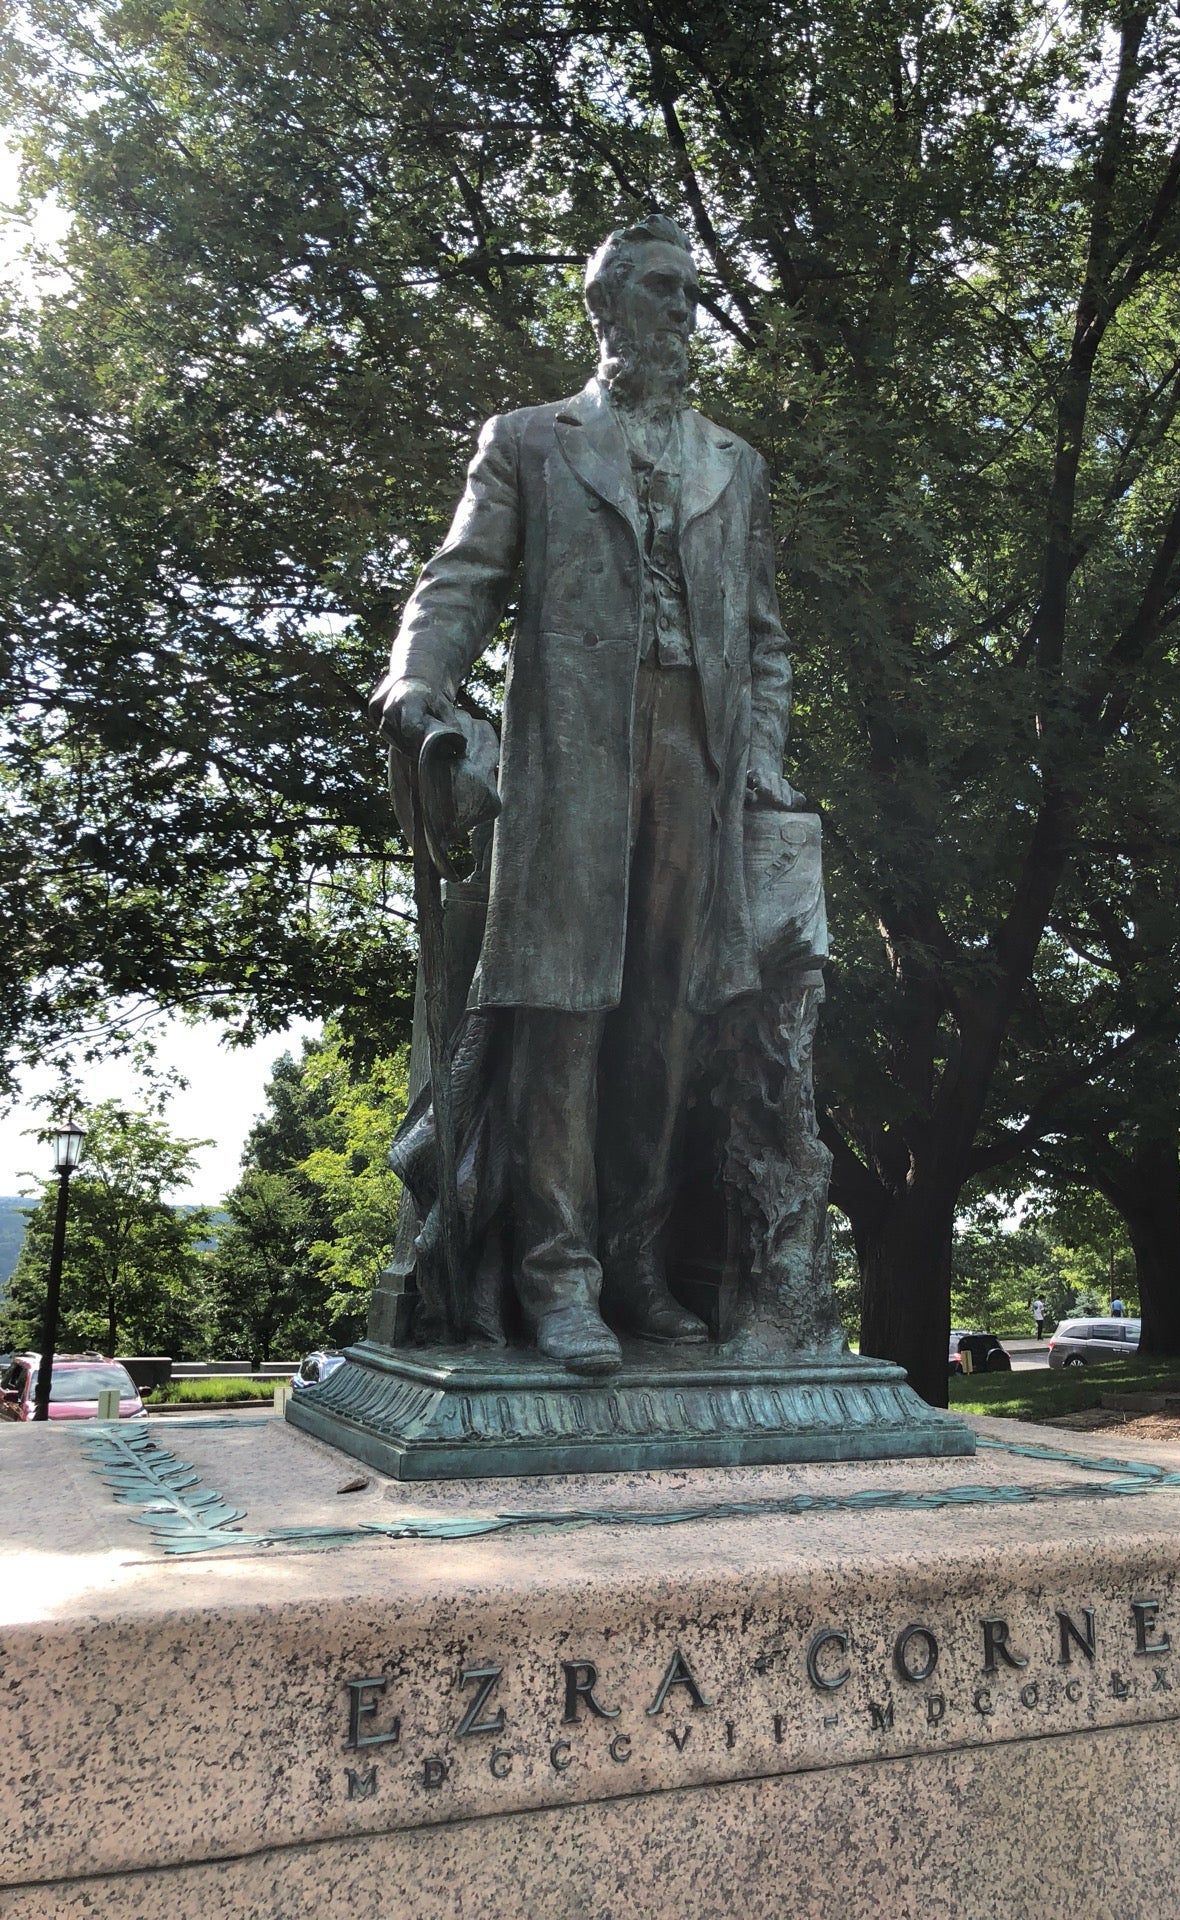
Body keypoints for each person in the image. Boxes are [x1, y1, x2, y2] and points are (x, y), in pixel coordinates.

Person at [371, 213, 802, 1377]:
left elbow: (763, 638)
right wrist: (420, 679)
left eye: (689, 293)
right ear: (604, 310)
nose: (682, 312)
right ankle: (557, 1277)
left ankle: (639, 1265)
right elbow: (458, 579)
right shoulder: (529, 441)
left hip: (696, 764)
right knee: (563, 1011)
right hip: (571, 758)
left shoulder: (737, 463)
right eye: (659, 291)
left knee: (667, 1022)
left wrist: (759, 758)